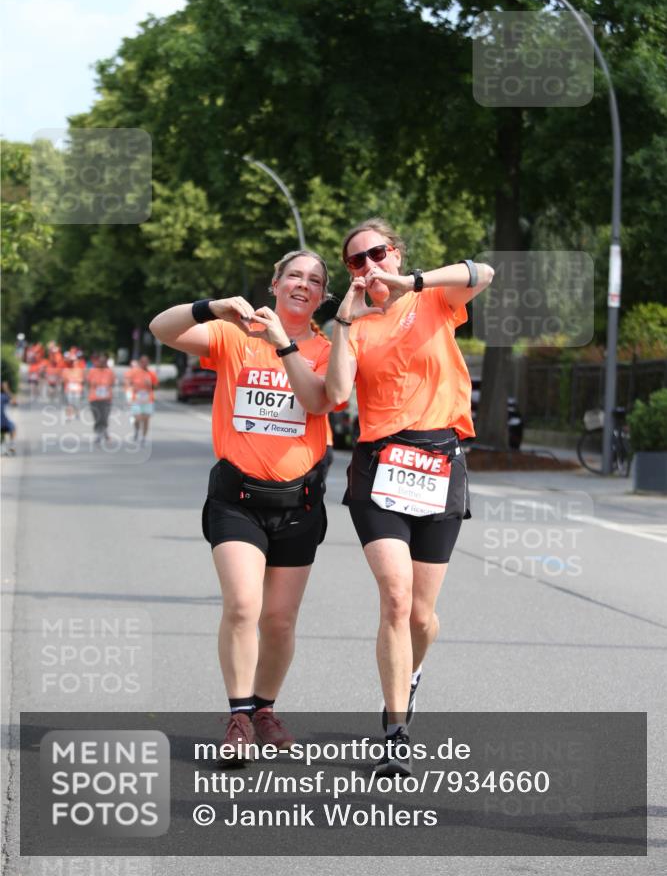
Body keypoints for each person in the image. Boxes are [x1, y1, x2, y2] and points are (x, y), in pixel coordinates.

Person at [149, 250, 336, 757]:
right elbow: (161, 328)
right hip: (238, 499)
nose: (303, 284)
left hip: (298, 502)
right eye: (294, 276)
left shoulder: (325, 349)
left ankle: (265, 709)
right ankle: (238, 718)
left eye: (314, 281)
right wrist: (210, 307)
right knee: (243, 605)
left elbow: (319, 401)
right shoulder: (235, 337)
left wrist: (283, 345)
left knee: (279, 620)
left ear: (322, 296)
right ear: (275, 284)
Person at [325, 218, 494, 776]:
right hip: (379, 469)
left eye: (376, 254)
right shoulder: (354, 325)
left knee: (422, 615)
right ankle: (395, 731)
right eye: (356, 261)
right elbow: (339, 392)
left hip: (440, 461)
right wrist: (346, 321)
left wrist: (413, 283)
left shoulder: (435, 300)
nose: (369, 265)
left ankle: (410, 673)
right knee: (396, 600)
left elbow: (483, 271)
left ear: (395, 255)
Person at [124, 356, 159, 443]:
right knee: (138, 418)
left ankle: (143, 437)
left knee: (146, 419)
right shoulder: (134, 372)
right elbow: (128, 383)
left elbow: (156, 386)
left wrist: (150, 384)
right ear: (140, 362)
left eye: (146, 362)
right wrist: (130, 390)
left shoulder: (151, 373)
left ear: (148, 363)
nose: (144, 363)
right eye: (143, 362)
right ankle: (136, 431)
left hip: (148, 399)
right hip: (136, 399)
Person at [86, 354, 115, 443]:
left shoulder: (109, 372)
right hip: (94, 398)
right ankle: (99, 432)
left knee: (104, 416)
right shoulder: (92, 371)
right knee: (97, 416)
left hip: (106, 398)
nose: (102, 363)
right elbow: (88, 383)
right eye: (100, 361)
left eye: (104, 361)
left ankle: (103, 431)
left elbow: (112, 383)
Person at [1, 381, 17, 455]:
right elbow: (14, 401)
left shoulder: (4, 396)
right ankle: (12, 446)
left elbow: (14, 402)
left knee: (12, 426)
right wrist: (7, 390)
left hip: (4, 421)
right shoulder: (4, 396)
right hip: (4, 422)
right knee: (13, 427)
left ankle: (10, 446)